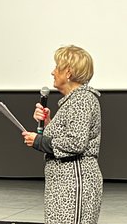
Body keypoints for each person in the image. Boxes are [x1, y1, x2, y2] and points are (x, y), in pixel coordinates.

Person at [22, 45, 103, 224]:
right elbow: (66, 136)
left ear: (68, 72)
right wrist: (47, 121)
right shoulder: (72, 101)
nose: (53, 72)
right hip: (63, 183)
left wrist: (39, 142)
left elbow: (76, 143)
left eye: (57, 67)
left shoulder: (82, 99)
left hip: (74, 184)